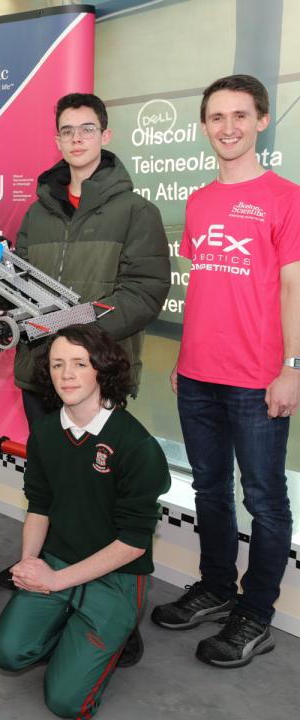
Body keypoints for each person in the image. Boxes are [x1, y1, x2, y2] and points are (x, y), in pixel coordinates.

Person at [0, 93, 170, 644]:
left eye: (86, 129)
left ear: (104, 135)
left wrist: (82, 332)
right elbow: (23, 287)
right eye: (66, 131)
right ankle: (46, 574)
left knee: (102, 490)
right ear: (56, 140)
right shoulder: (38, 211)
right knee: (53, 482)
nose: (76, 139)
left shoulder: (137, 212)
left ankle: (112, 604)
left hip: (98, 373)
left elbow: (148, 291)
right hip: (40, 371)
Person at [152, 74, 299, 668]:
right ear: (205, 125)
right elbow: (208, 288)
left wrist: (292, 366)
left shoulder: (286, 196)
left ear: (261, 120)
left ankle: (255, 613)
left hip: (258, 378)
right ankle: (216, 586)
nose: (228, 127)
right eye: (217, 117)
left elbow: (292, 286)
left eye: (240, 115)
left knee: (264, 499)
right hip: (198, 376)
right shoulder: (199, 200)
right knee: (208, 488)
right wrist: (186, 361)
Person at [0, 324, 170, 719]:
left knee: (66, 702)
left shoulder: (137, 447)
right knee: (7, 654)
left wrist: (54, 582)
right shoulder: (45, 434)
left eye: (79, 364)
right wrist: (29, 563)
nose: (66, 375)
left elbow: (134, 544)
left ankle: (113, 631)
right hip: (57, 558)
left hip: (116, 575)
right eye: (57, 365)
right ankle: (73, 626)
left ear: (101, 370)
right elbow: (39, 505)